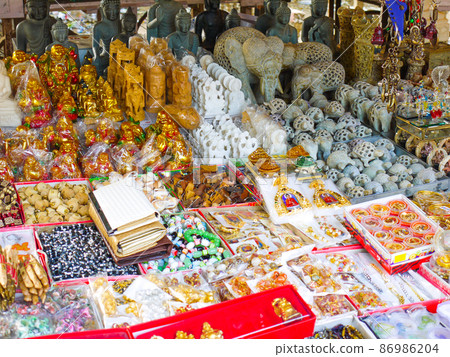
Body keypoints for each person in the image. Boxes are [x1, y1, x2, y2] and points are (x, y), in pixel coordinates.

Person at [92, 0, 120, 76]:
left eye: (115, 9)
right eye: (109, 9)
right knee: (96, 62)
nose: (113, 12)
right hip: (106, 55)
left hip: (121, 55)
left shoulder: (121, 24)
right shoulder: (99, 27)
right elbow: (95, 45)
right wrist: (96, 56)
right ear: (102, 10)